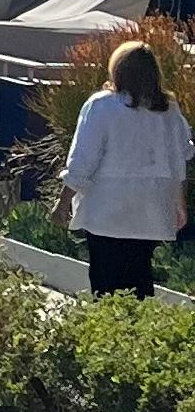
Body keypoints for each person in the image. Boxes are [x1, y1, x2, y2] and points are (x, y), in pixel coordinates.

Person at [62, 37, 191, 299]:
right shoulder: (168, 110)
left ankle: (110, 331)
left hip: (107, 209)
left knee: (105, 278)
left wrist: (64, 201)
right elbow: (181, 157)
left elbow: (83, 159)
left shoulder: (101, 106)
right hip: (151, 209)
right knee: (140, 274)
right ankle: (138, 331)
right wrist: (179, 203)